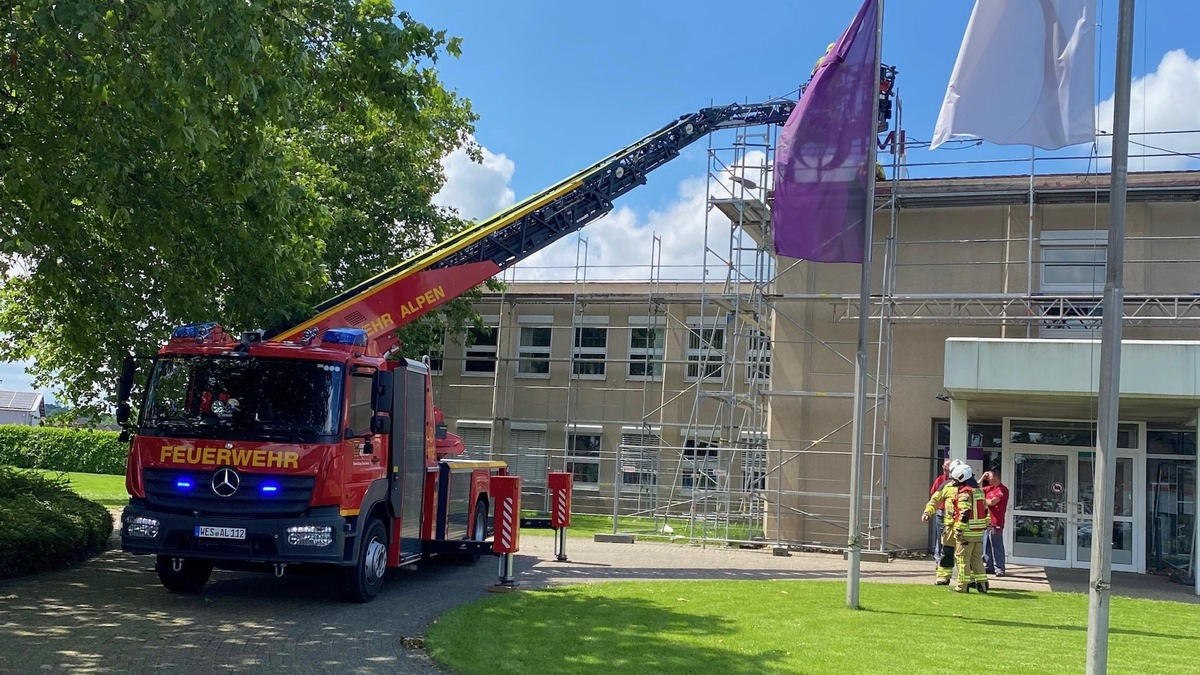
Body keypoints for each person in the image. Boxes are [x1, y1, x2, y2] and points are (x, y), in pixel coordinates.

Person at [948, 463, 990, 593]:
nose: (954, 482)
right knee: (977, 559)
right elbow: (986, 511)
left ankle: (962, 586)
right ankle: (983, 585)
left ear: (961, 478)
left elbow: (964, 513)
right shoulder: (979, 492)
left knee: (962, 560)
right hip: (978, 533)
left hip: (966, 533)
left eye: (955, 480)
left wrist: (959, 530)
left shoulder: (965, 493)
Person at [922, 459, 960, 586]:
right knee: (947, 551)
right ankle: (943, 578)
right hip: (949, 526)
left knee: (964, 554)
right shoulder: (946, 485)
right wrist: (928, 512)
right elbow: (935, 499)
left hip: (964, 528)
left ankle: (969, 580)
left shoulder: (970, 488)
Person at [981, 468, 1010, 577]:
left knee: (996, 545)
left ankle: (1000, 569)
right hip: (987, 522)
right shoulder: (989, 489)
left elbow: (993, 502)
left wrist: (982, 500)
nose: (988, 479)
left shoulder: (1002, 490)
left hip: (996, 522)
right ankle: (990, 567)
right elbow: (974, 490)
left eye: (990, 477)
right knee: (987, 545)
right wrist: (982, 478)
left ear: (996, 477)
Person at [927, 459, 952, 565]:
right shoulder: (940, 479)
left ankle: (946, 558)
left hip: (951, 513)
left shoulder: (955, 481)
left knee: (949, 537)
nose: (945, 468)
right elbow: (933, 494)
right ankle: (938, 559)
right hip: (941, 511)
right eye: (944, 466)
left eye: (947, 466)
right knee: (940, 536)